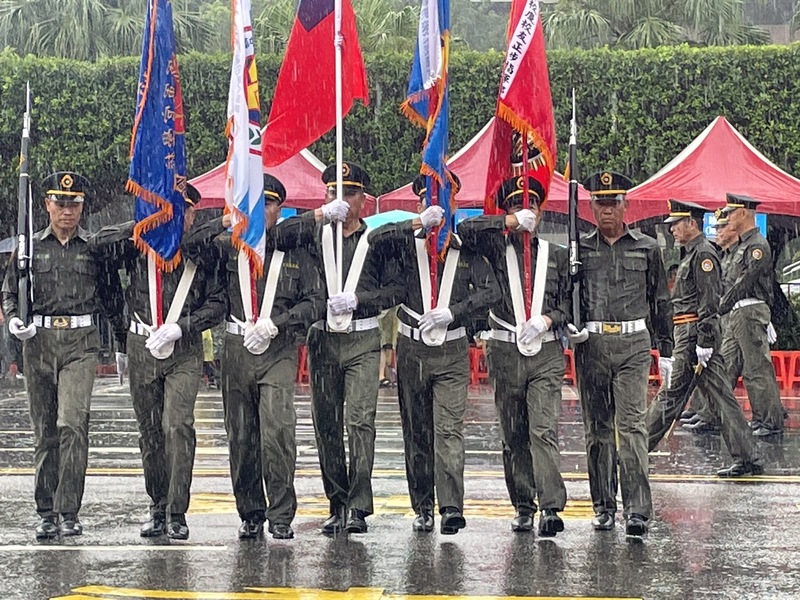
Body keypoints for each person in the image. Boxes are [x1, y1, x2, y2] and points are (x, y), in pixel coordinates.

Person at [186, 174, 325, 540]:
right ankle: (250, 511)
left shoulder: (296, 251)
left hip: (277, 348)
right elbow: (189, 244)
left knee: (277, 432)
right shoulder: (228, 246)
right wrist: (225, 220)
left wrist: (278, 323)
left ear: (280, 208)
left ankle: (281, 514)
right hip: (236, 349)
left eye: (269, 204)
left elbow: (314, 301)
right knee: (242, 435)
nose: (261, 211)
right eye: (254, 204)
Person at [89, 184, 226, 540]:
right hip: (141, 343)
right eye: (169, 210)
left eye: (182, 211)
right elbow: (97, 247)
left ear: (193, 215)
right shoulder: (137, 245)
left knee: (177, 426)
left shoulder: (203, 252)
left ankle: (177, 510)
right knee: (150, 432)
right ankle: (157, 505)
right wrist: (144, 223)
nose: (175, 218)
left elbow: (218, 303)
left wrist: (183, 328)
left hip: (184, 346)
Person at [272, 161, 402, 535]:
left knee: (360, 422)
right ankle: (337, 501)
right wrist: (318, 215)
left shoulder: (375, 240)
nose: (341, 199)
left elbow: (394, 291)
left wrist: (360, 300)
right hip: (323, 337)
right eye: (333, 192)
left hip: (362, 337)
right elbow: (276, 236)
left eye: (349, 193)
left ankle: (359, 505)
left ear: (365, 200)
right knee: (326, 425)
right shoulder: (314, 236)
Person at [370, 173, 498, 535]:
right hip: (411, 349)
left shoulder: (463, 248)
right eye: (429, 200)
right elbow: (374, 239)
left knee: (449, 430)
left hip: (452, 347)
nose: (437, 206)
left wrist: (455, 311)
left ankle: (451, 506)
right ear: (420, 204)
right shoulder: (404, 245)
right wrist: (416, 224)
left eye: (444, 200)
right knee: (417, 431)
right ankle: (423, 505)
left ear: (455, 204)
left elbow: (491, 291)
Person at [2, 171, 125, 539]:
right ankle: (46, 510)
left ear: (83, 206)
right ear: (47, 206)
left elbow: (111, 297)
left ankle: (69, 508)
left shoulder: (94, 247)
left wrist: (121, 344)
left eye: (74, 204)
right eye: (60, 203)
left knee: (72, 424)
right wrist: (13, 322)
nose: (67, 211)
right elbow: (9, 293)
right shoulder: (29, 248)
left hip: (80, 343)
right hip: (38, 342)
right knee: (44, 432)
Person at [459, 175, 570, 537]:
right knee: (514, 434)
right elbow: (465, 228)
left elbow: (572, 303)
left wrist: (549, 318)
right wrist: (507, 223)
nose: (527, 212)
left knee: (543, 430)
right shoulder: (493, 250)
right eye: (517, 207)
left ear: (541, 211)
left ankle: (551, 507)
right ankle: (524, 504)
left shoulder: (558, 255)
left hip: (546, 350)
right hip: (505, 349)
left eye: (532, 206)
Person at [568, 171, 673, 537]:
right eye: (600, 203)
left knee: (631, 428)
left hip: (632, 345)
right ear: (591, 206)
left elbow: (660, 300)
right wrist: (569, 324)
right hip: (592, 345)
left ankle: (638, 510)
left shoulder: (646, 247)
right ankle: (603, 505)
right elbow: (569, 297)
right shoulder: (579, 249)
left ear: (625, 205)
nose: (607, 211)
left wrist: (668, 350)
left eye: (614, 203)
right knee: (597, 431)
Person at [645, 200, 762, 476]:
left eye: (676, 223)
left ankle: (634, 450)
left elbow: (709, 300)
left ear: (691, 223)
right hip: (690, 332)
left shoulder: (703, 255)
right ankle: (748, 456)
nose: (672, 229)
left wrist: (705, 340)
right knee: (720, 396)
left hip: (693, 332)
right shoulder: (694, 253)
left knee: (671, 395)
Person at [716, 194, 784, 437]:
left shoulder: (756, 245)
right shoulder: (744, 244)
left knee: (756, 368)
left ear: (744, 213)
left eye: (732, 213)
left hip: (749, 308)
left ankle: (769, 420)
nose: (728, 218)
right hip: (737, 311)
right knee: (727, 363)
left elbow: (745, 282)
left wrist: (721, 305)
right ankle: (726, 415)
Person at [680, 210, 738, 433]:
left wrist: (706, 332)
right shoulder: (714, 253)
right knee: (717, 380)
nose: (719, 233)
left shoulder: (705, 254)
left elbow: (711, 296)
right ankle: (704, 412)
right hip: (715, 318)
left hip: (718, 319)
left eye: (722, 228)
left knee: (750, 372)